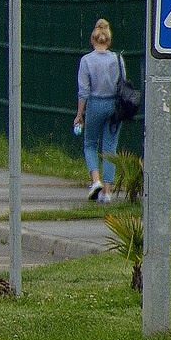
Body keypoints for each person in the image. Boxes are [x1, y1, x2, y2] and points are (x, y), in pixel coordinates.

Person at [74, 19, 126, 203]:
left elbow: (84, 90)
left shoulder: (87, 60)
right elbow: (122, 84)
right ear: (109, 41)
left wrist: (79, 114)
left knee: (90, 144)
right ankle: (107, 192)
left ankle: (96, 180)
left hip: (95, 104)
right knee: (110, 148)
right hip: (114, 105)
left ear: (92, 40)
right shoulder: (117, 59)